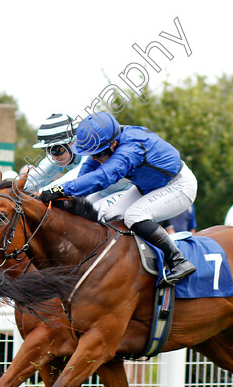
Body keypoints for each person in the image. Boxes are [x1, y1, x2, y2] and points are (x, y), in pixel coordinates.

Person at [38, 111, 198, 286]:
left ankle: (178, 261)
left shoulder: (130, 148)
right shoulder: (104, 142)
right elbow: (87, 172)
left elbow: (102, 177)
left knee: (134, 216)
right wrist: (70, 195)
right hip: (150, 187)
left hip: (179, 186)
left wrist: (61, 189)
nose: (94, 158)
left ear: (113, 144)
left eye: (98, 155)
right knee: (104, 213)